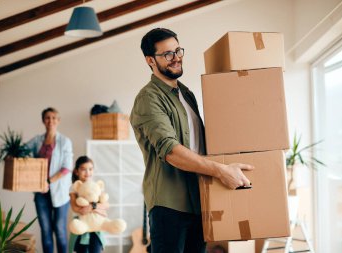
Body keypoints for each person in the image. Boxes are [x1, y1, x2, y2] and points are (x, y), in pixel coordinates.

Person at [130, 28, 254, 253]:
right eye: (167, 54)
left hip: (199, 201)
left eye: (178, 50)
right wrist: (220, 170)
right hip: (169, 205)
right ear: (150, 60)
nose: (176, 57)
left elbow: (200, 144)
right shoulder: (149, 98)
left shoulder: (186, 94)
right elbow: (171, 151)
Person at [26, 107, 73, 253]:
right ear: (43, 120)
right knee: (46, 231)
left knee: (59, 230)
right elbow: (22, 151)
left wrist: (48, 182)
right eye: (47, 117)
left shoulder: (65, 141)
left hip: (59, 192)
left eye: (54, 118)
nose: (50, 120)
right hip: (40, 193)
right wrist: (11, 154)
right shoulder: (37, 140)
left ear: (58, 121)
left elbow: (67, 167)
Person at [68, 156, 108, 253]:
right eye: (83, 169)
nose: (87, 172)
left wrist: (92, 206)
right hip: (81, 226)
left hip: (96, 227)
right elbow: (76, 209)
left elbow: (106, 205)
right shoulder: (74, 189)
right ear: (76, 171)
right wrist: (97, 209)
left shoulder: (96, 187)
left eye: (90, 169)